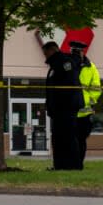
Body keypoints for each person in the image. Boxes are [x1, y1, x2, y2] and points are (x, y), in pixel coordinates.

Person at [42, 41, 82, 170]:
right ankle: (59, 165)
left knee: (68, 137)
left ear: (52, 50)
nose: (45, 56)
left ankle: (73, 165)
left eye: (46, 53)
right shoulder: (54, 66)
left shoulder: (65, 63)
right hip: (58, 109)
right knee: (58, 138)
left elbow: (69, 85)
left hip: (66, 108)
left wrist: (60, 105)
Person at [69, 41, 101, 169]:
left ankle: (79, 164)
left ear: (83, 52)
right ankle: (70, 164)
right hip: (69, 112)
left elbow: (96, 89)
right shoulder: (68, 65)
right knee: (70, 141)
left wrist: (89, 103)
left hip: (84, 113)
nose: (75, 54)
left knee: (81, 141)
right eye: (73, 51)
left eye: (78, 51)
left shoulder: (91, 67)